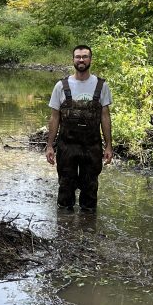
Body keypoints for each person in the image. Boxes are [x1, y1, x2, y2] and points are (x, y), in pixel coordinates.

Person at [45, 45, 113, 211]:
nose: (81, 60)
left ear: (90, 59)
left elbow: (105, 116)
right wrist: (49, 145)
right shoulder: (61, 86)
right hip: (67, 145)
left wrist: (109, 145)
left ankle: (89, 228)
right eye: (78, 57)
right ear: (73, 60)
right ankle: (64, 230)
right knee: (65, 187)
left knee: (90, 189)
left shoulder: (101, 85)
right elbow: (55, 117)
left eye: (84, 56)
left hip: (92, 145)